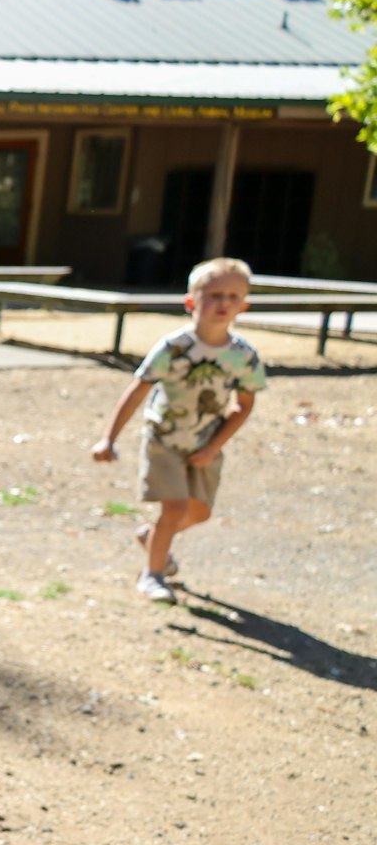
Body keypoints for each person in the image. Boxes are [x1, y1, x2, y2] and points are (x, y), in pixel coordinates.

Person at [92, 256, 267, 603]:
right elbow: (138, 390)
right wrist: (108, 438)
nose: (223, 303)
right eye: (215, 294)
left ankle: (155, 536)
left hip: (205, 442)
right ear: (192, 302)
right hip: (165, 439)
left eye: (233, 297)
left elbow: (243, 406)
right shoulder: (174, 348)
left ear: (243, 306)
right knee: (173, 509)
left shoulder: (243, 356)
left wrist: (213, 447)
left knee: (198, 513)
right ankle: (153, 575)